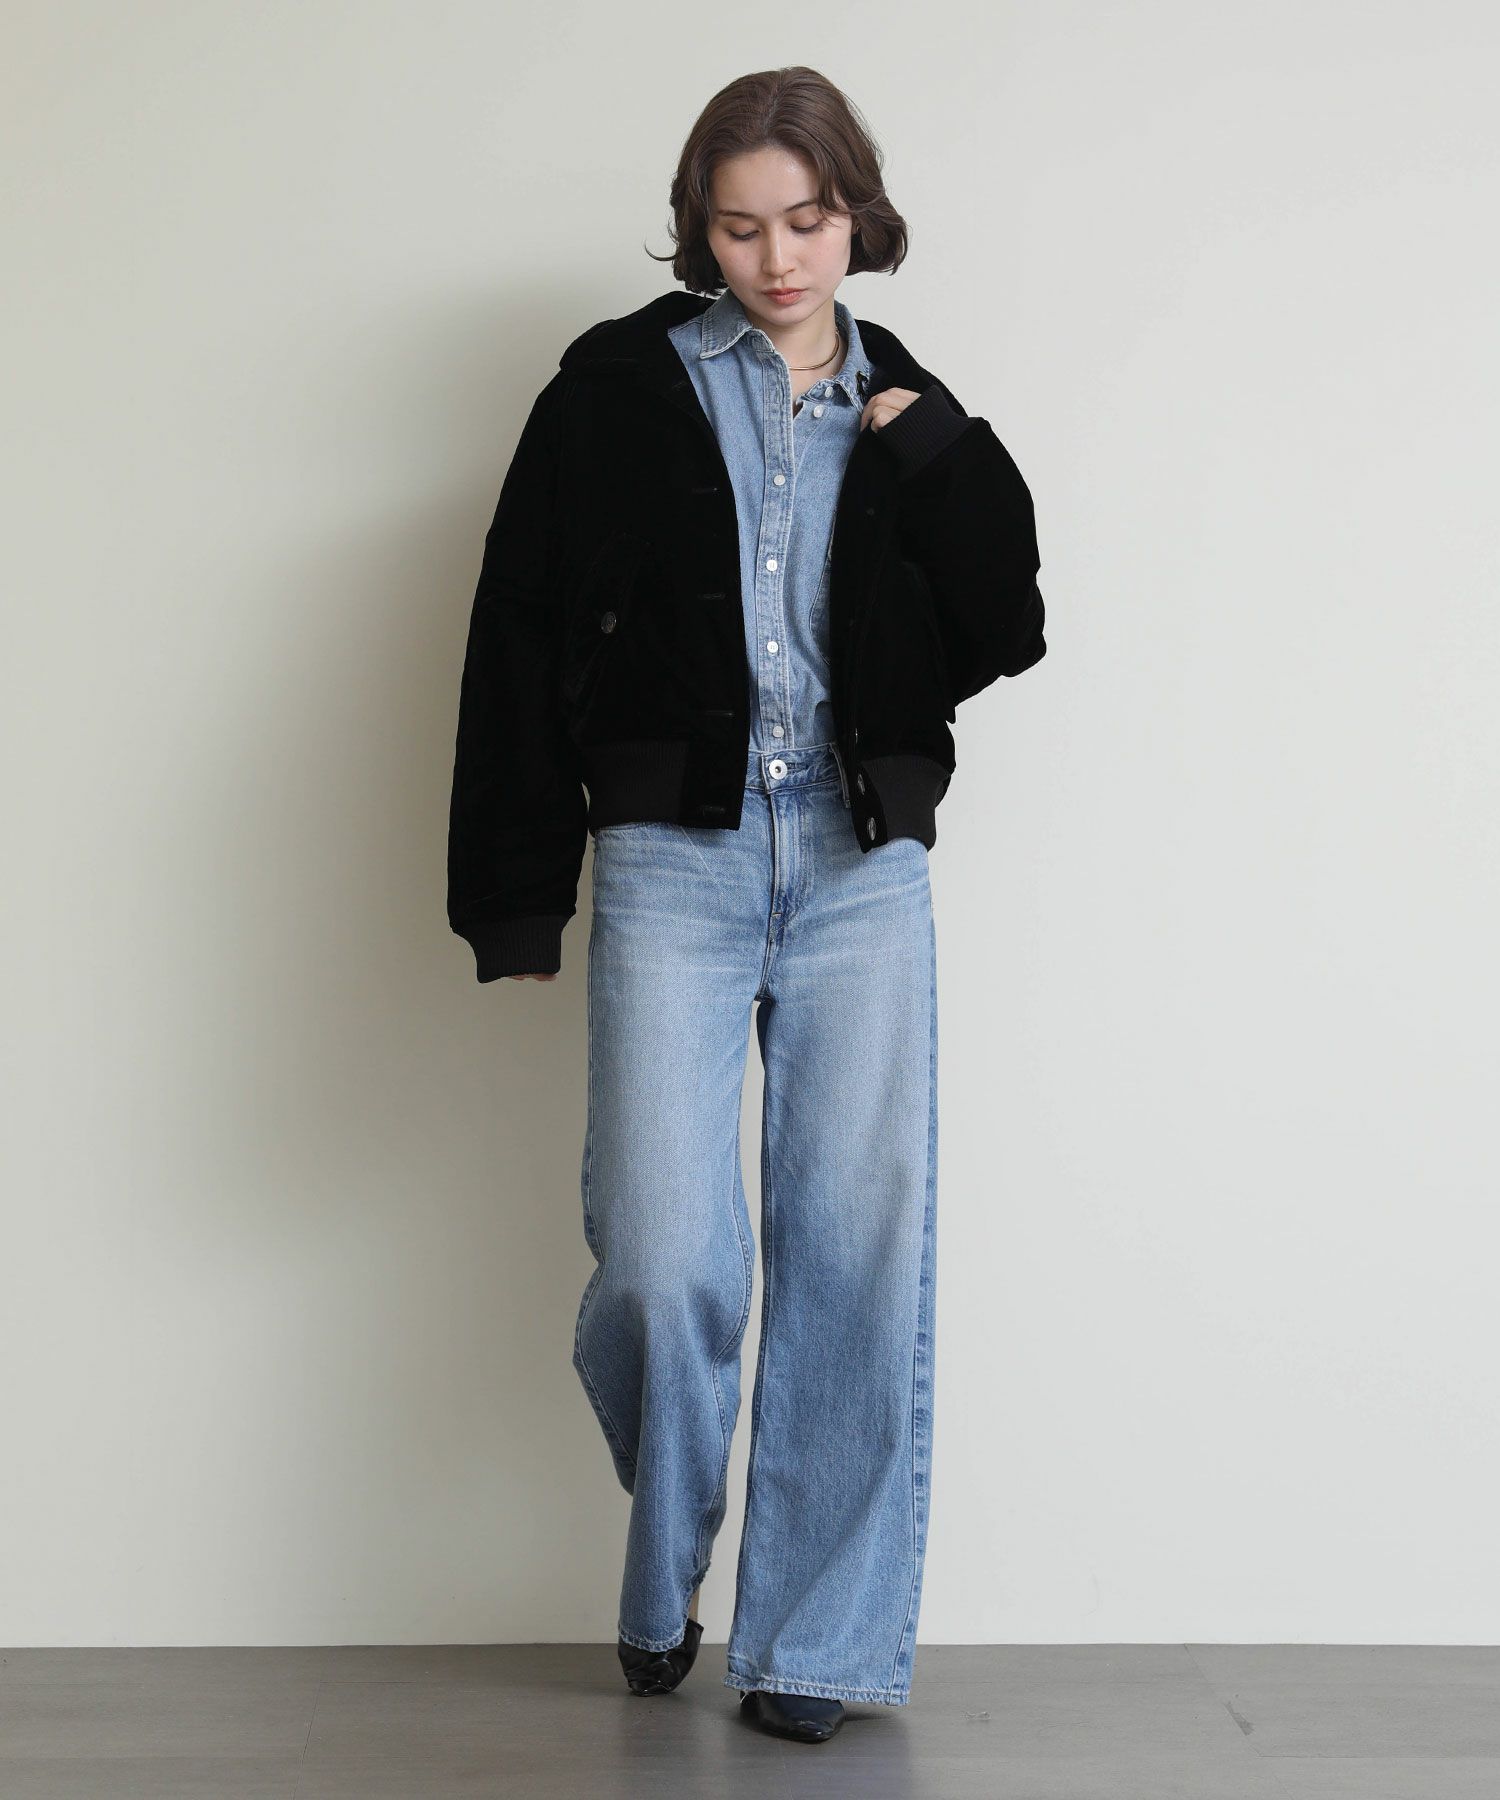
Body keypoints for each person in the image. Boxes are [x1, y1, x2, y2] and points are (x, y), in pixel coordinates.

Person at [446, 66, 1047, 1746]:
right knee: (662, 1257)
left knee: (854, 1256)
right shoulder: (613, 393)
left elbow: (1006, 626)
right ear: (696, 231)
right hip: (676, 861)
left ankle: (814, 1649)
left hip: (861, 868)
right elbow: (515, 633)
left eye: (807, 220)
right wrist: (514, 893)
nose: (778, 259)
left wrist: (932, 453)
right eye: (738, 227)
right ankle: (667, 1569)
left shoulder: (908, 408)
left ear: (857, 215)